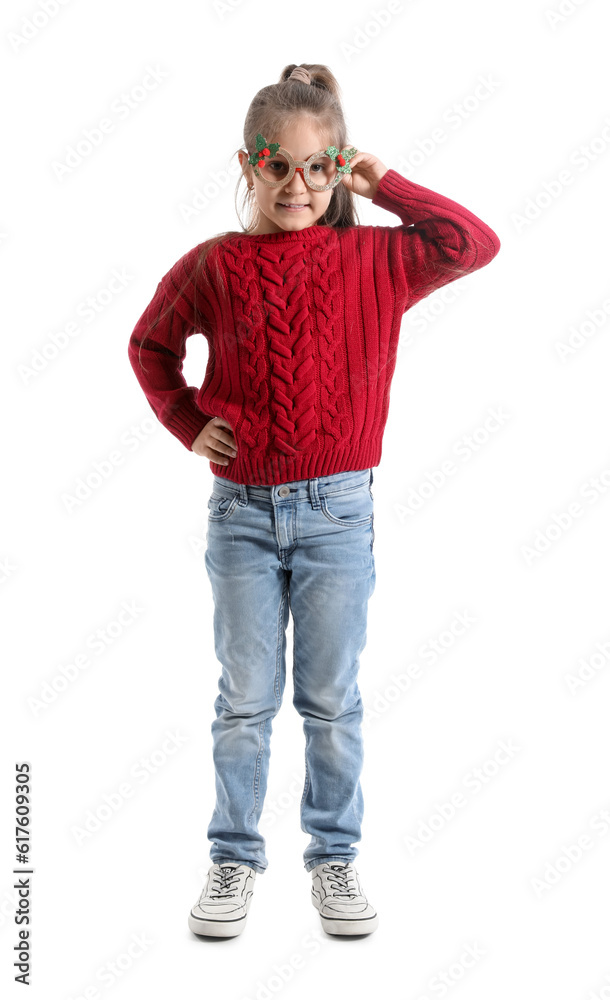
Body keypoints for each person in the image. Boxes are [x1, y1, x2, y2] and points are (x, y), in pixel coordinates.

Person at [127, 62, 501, 939]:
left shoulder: (379, 257)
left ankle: (334, 860)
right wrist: (189, 423)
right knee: (245, 700)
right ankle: (232, 857)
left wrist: (387, 181)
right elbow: (150, 345)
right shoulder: (215, 265)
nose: (297, 185)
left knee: (331, 699)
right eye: (277, 164)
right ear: (248, 165)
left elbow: (473, 242)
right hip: (242, 517)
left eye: (319, 166)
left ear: (338, 167)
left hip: (339, 514)